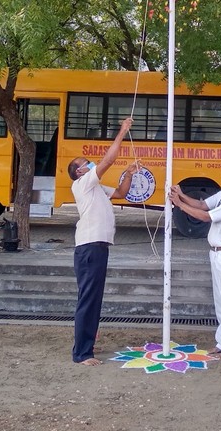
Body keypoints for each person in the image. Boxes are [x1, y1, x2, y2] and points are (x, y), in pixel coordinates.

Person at [67, 117, 136, 366]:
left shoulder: (95, 187)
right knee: (88, 299)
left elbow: (121, 193)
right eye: (86, 163)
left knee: (93, 299)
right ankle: (82, 353)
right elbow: (108, 161)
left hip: (97, 247)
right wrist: (122, 131)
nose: (90, 163)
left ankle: (87, 345)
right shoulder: (82, 184)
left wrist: (128, 174)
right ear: (80, 171)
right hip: (90, 247)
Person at [169, 164, 221, 360]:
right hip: (217, 253)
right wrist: (181, 195)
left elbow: (206, 216)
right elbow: (203, 205)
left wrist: (179, 204)